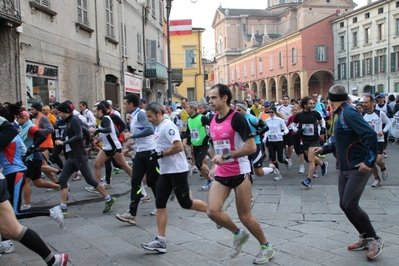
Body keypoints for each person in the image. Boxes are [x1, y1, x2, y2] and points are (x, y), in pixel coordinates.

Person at [206, 84, 274, 264]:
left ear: (224, 98)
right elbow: (216, 145)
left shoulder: (237, 118)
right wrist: (214, 165)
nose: (210, 101)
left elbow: (251, 147)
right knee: (212, 211)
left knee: (244, 216)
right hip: (222, 172)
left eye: (213, 97)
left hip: (240, 172)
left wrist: (227, 156)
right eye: (209, 98)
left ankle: (266, 246)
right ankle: (238, 235)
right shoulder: (213, 119)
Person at [314, 84, 383, 261]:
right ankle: (365, 237)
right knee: (344, 205)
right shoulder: (340, 113)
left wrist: (369, 161)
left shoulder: (349, 113)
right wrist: (324, 148)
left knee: (350, 204)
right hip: (345, 167)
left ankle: (375, 239)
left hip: (357, 167)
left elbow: (370, 135)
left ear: (330, 99)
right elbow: (341, 140)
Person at [141, 102, 207, 253]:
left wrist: (160, 154)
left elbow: (178, 146)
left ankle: (213, 212)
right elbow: (161, 145)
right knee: (160, 204)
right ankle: (160, 241)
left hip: (177, 171)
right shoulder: (158, 127)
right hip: (165, 171)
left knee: (185, 203)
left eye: (150, 116)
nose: (148, 119)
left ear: (159, 113)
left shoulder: (168, 126)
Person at [54, 102, 116, 214]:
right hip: (72, 156)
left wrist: (65, 142)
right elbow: (86, 132)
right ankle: (63, 208)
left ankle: (109, 199)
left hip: (79, 156)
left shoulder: (74, 121)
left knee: (90, 180)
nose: (58, 115)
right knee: (62, 179)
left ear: (66, 112)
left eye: (60, 112)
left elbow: (79, 135)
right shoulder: (67, 122)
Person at [115, 94, 159, 224]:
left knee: (153, 182)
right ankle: (132, 213)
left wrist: (132, 136)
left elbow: (149, 130)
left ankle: (161, 204)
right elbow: (141, 133)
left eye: (124, 103)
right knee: (135, 181)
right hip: (140, 152)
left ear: (130, 104)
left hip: (150, 151)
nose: (123, 106)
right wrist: (133, 143)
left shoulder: (140, 113)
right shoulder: (133, 116)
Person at [86, 103, 132, 192]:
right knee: (97, 164)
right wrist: (99, 137)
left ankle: (138, 180)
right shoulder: (103, 119)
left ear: (100, 111)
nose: (94, 113)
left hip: (114, 147)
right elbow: (113, 131)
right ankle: (97, 186)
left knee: (124, 166)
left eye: (95, 111)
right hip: (107, 148)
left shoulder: (105, 119)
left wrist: (96, 130)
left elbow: (109, 130)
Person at [293, 96, 328, 188]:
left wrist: (323, 128)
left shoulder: (316, 113)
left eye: (313, 103)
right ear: (305, 105)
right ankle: (323, 164)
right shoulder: (299, 115)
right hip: (305, 139)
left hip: (314, 139)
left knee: (310, 159)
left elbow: (322, 120)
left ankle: (308, 180)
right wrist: (297, 130)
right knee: (309, 157)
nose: (312, 105)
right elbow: (292, 125)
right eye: (310, 103)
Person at [362, 95, 391, 187]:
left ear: (372, 103)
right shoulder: (362, 115)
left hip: (379, 140)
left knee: (378, 160)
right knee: (371, 161)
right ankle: (377, 179)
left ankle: (383, 168)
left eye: (366, 102)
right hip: (368, 141)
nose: (364, 104)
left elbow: (389, 123)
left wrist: (383, 131)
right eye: (363, 102)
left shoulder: (380, 113)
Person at [184, 101, 212, 190]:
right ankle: (210, 180)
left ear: (193, 109)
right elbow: (188, 132)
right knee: (198, 164)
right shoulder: (189, 119)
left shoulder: (202, 117)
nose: (186, 109)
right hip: (195, 144)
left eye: (188, 107)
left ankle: (213, 178)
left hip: (203, 143)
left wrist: (207, 137)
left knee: (199, 163)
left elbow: (213, 126)